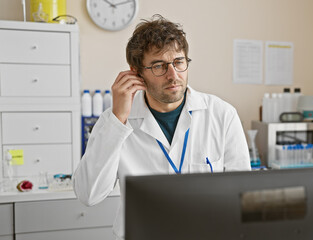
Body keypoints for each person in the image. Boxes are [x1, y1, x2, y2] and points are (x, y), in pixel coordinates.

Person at [73, 14, 251, 240]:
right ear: (136, 72)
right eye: (159, 66)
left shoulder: (222, 115)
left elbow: (243, 196)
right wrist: (118, 120)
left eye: (179, 62)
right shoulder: (115, 121)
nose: (173, 75)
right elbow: (89, 195)